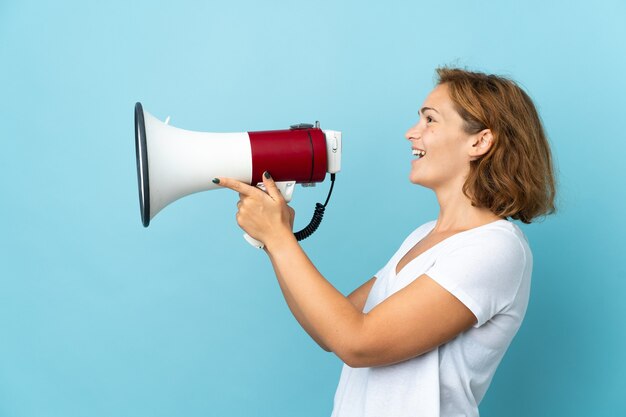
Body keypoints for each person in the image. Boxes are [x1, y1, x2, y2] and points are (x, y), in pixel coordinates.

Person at [213, 67, 556, 417]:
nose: (412, 133)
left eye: (430, 120)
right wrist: (275, 239)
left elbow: (356, 343)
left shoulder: (496, 248)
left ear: (479, 141)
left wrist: (279, 236)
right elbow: (329, 331)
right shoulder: (423, 237)